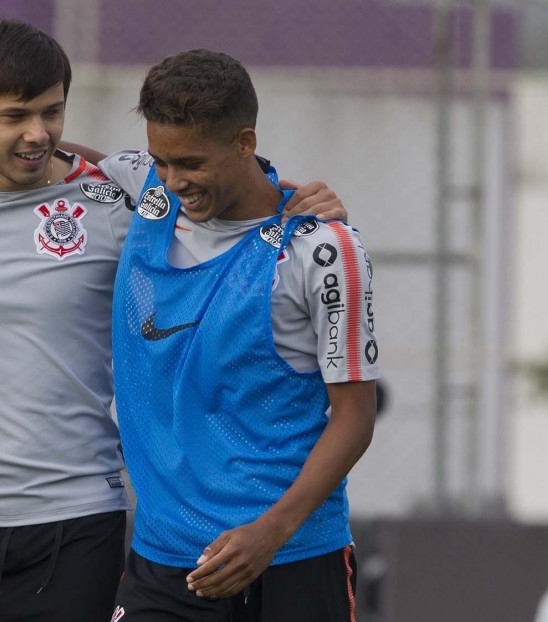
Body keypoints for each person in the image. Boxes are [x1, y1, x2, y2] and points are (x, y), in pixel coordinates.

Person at [0, 18, 348, 622]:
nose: (37, 135)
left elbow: (224, 180)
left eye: (52, 113)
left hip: (75, 529)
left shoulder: (119, 196)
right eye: (15, 116)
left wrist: (302, 200)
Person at [104, 49, 379, 621]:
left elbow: (354, 417)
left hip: (290, 561)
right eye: (161, 160)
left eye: (191, 164)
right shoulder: (148, 192)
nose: (175, 180)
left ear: (245, 143)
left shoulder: (322, 251)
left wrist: (270, 533)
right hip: (163, 565)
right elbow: (54, 158)